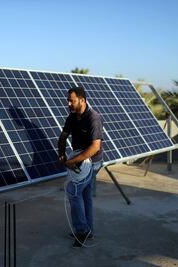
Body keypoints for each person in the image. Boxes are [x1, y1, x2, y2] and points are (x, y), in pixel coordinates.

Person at [58, 86, 103, 248]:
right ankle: (88, 230)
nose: (68, 103)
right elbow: (63, 136)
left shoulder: (93, 117)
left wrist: (74, 161)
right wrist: (62, 153)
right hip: (79, 159)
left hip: (93, 162)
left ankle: (82, 230)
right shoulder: (72, 117)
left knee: (73, 191)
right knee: (85, 196)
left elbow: (95, 147)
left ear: (82, 100)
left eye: (72, 100)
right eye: (68, 100)